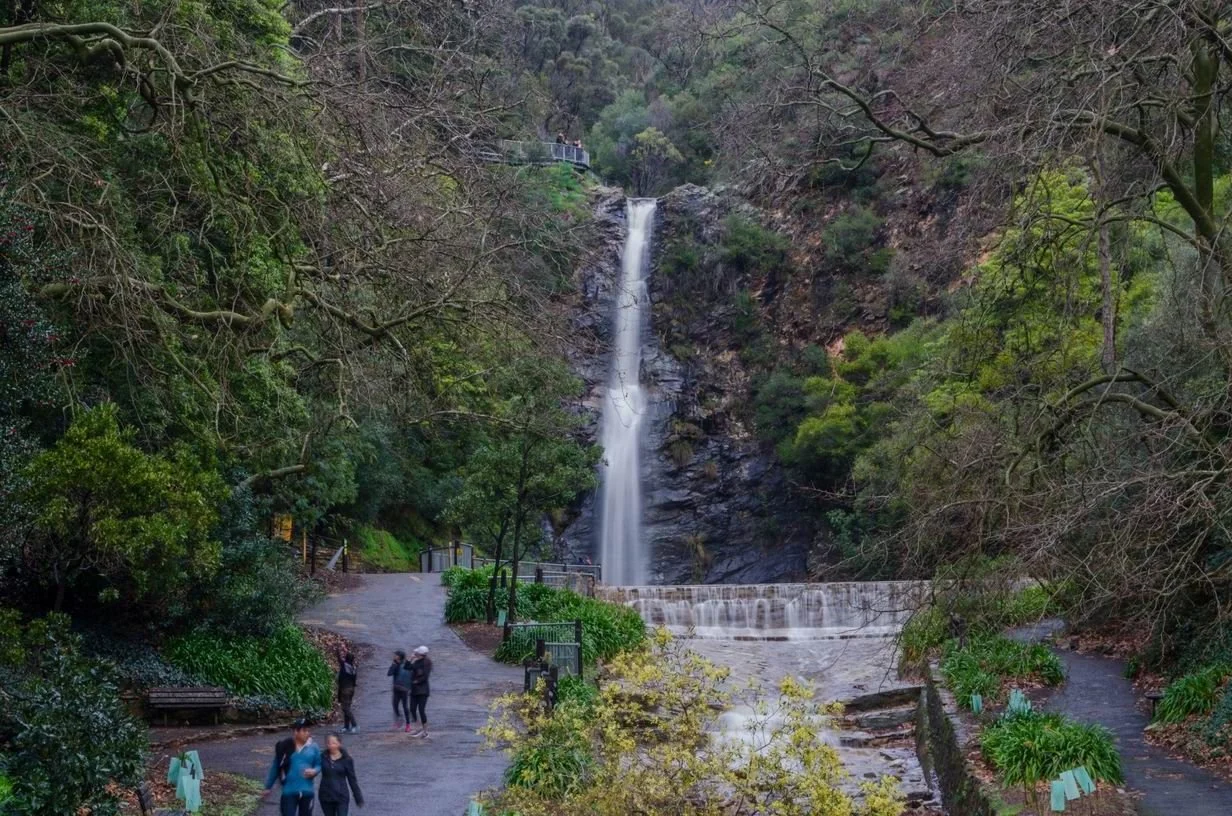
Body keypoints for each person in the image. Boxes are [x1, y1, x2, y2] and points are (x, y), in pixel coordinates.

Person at [264, 718, 322, 816]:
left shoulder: (314, 747)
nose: (307, 733)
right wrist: (268, 787)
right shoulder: (284, 746)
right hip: (289, 792)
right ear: (296, 732)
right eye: (304, 731)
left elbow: (319, 764)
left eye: (308, 731)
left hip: (307, 792)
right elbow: (276, 766)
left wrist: (315, 771)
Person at [318, 732, 364, 816]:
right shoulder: (322, 757)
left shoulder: (347, 759)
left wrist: (358, 797)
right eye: (329, 743)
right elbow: (313, 768)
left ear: (339, 743)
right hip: (325, 795)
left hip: (341, 796)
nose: (331, 746)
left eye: (334, 743)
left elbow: (352, 780)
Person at [408, 645, 432, 738]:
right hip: (414, 690)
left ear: (420, 654)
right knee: (412, 709)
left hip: (423, 691)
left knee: (421, 710)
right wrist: (410, 659)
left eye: (416, 653)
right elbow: (407, 667)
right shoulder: (416, 662)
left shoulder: (427, 663)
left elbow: (425, 676)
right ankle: (417, 728)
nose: (415, 654)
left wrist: (416, 681)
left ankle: (425, 731)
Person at [387, 650, 413, 731]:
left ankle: (408, 725)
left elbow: (411, 675)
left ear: (399, 657)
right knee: (395, 706)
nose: (394, 656)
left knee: (405, 707)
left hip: (404, 689)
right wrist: (393, 665)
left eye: (396, 655)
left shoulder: (406, 665)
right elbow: (389, 674)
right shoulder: (395, 664)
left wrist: (410, 688)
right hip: (396, 689)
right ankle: (399, 720)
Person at [336, 649, 358, 733]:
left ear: (346, 658)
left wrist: (337, 649)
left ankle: (355, 725)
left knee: (345, 708)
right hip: (351, 690)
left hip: (345, 690)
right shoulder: (353, 668)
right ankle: (346, 726)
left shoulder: (344, 665)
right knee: (347, 707)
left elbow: (339, 658)